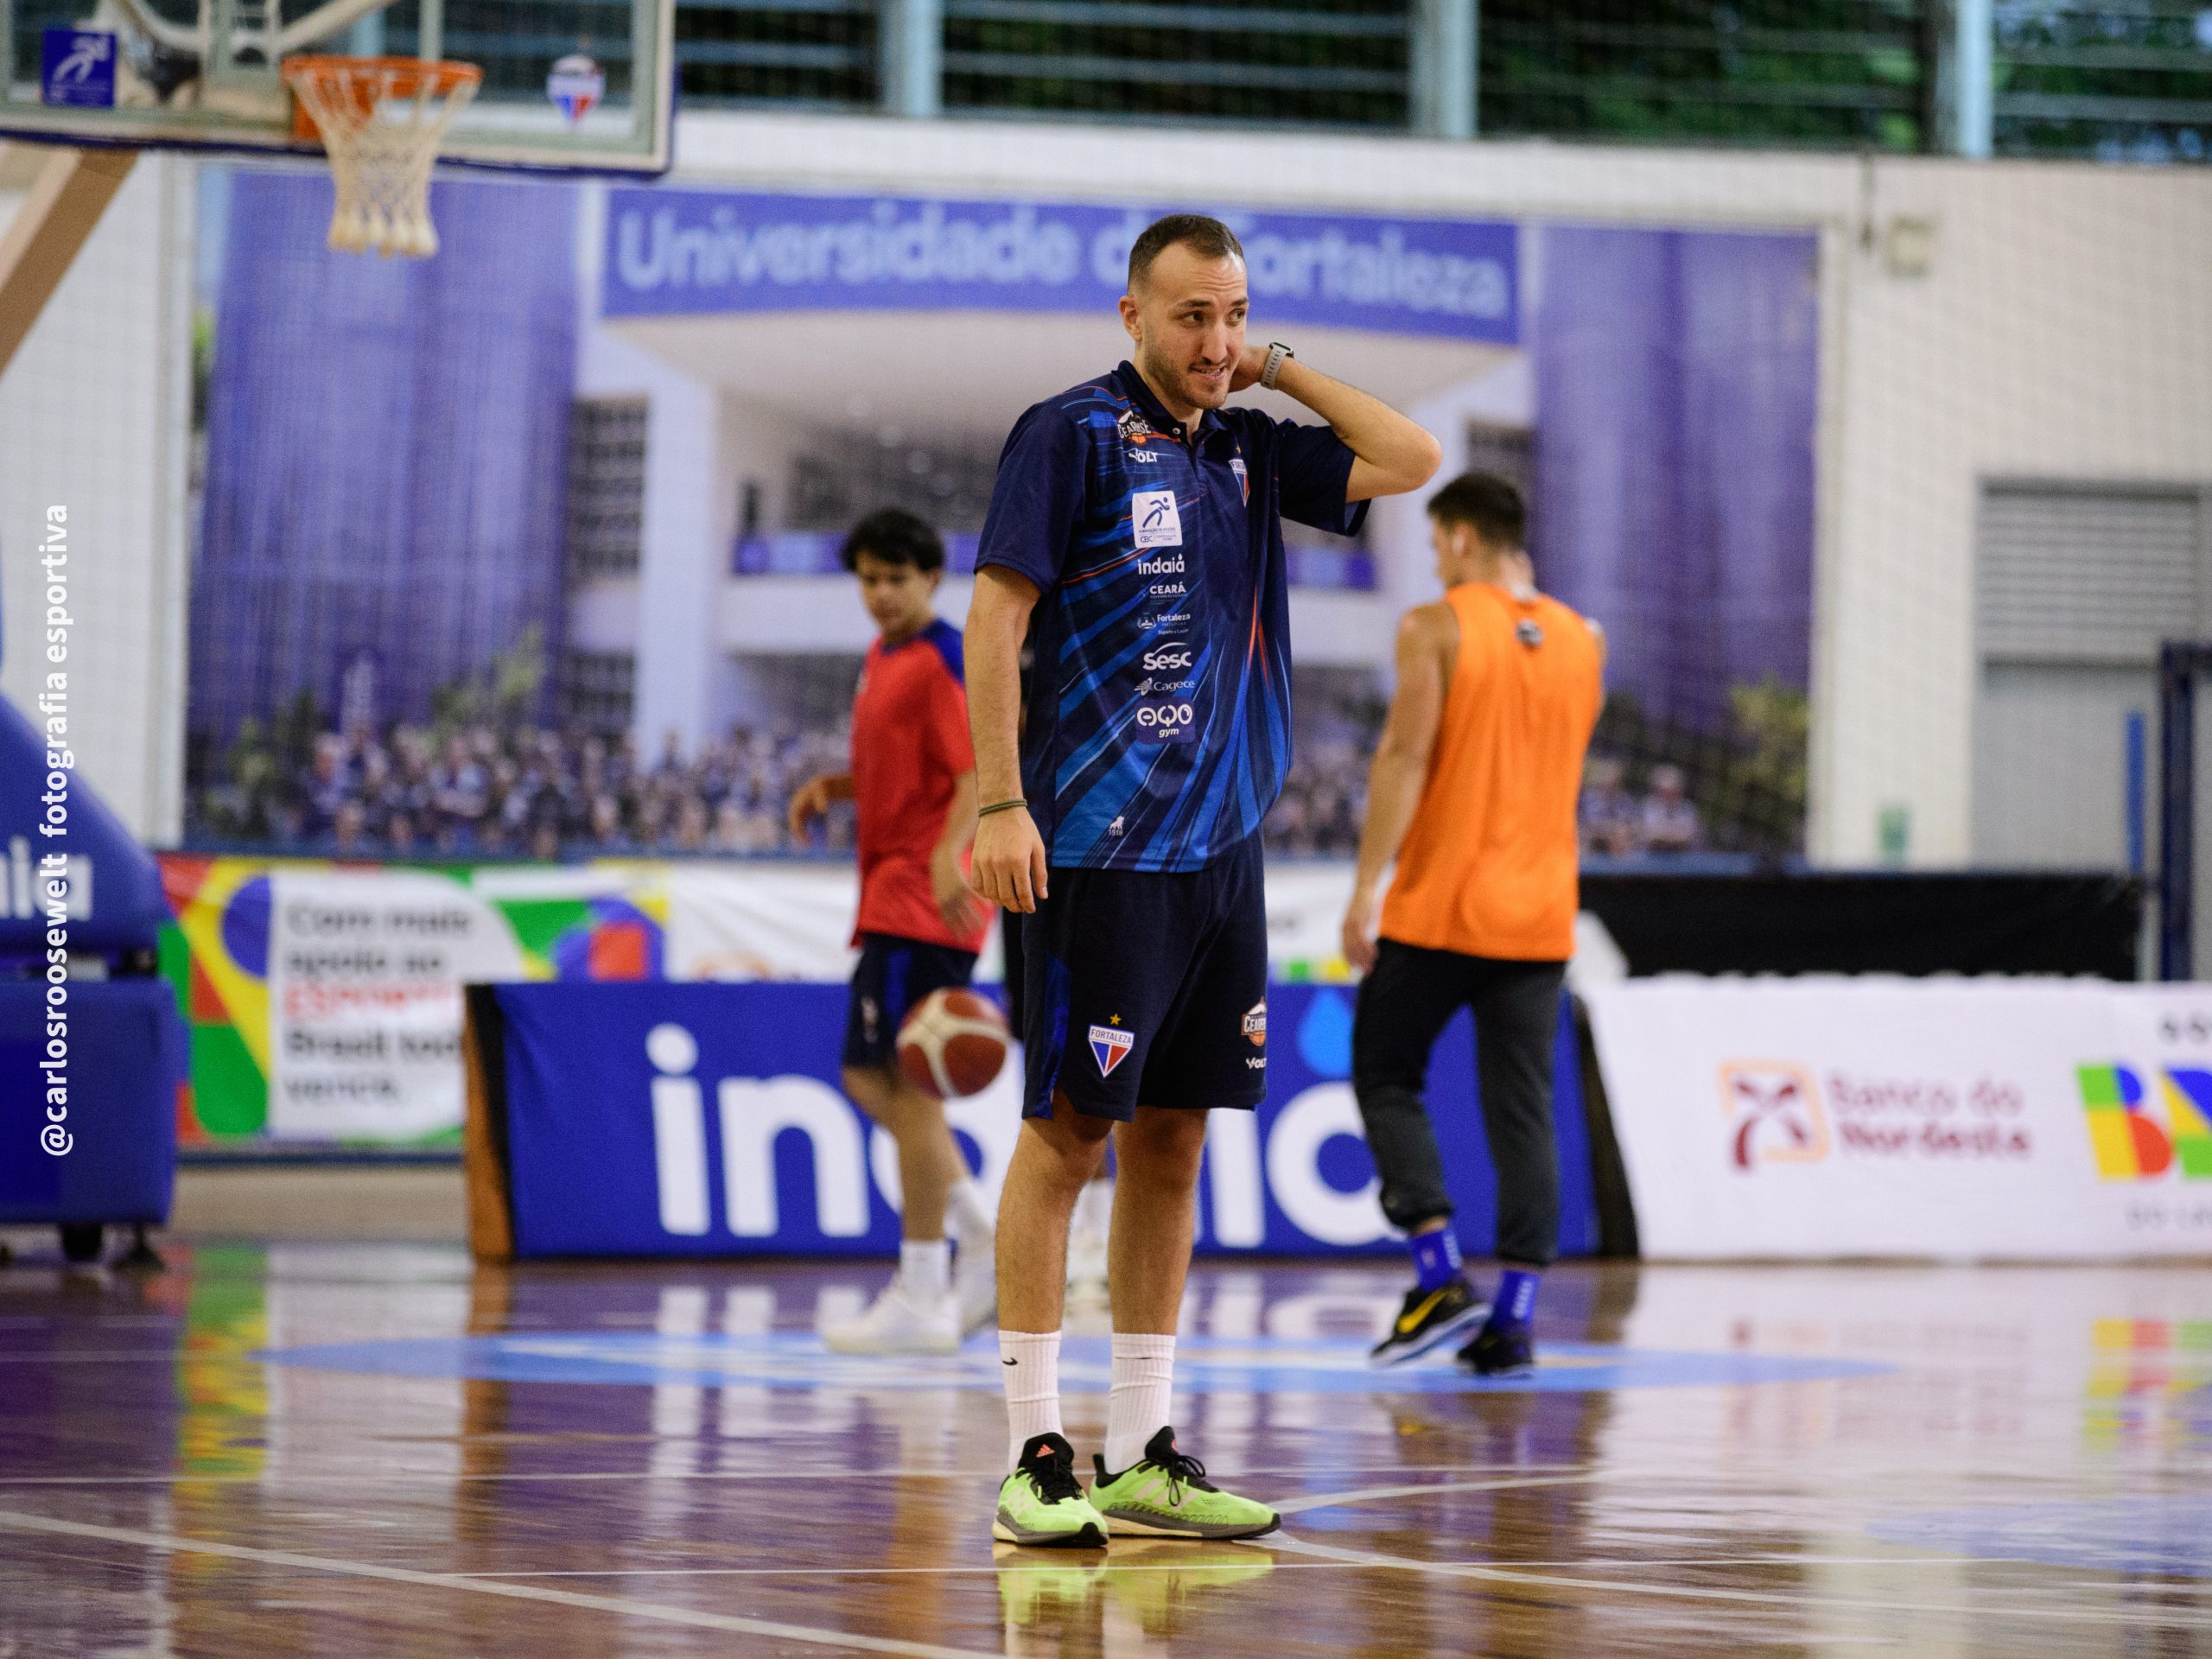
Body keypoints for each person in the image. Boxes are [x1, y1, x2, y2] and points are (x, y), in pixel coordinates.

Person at [965, 213, 1440, 1548]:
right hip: (1099, 849)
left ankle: (1140, 1453)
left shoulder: (1247, 444)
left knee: (1174, 1141)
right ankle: (1033, 1459)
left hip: (1225, 856)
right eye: (1192, 317)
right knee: (1070, 1137)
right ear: (1132, 316)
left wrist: (1274, 369)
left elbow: (1412, 457)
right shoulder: (1066, 435)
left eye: (1233, 315)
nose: (1215, 341)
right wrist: (1000, 800)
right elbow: (995, 618)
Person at [1341, 472, 1604, 1376]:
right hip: (1542, 913)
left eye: (1434, 544)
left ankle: (1437, 1273)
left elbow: (1403, 758)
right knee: (1524, 1112)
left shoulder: (1436, 625)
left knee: (1384, 1071)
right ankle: (1515, 1321)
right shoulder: (1583, 640)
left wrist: (1364, 888)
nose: (1434, 562)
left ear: (1459, 537)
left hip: (1444, 904)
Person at [790, 507, 998, 1354]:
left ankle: (922, 1289)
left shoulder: (946, 659)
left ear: (932, 578)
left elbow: (978, 771)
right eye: (868, 579)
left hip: (926, 902)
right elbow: (904, 769)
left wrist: (950, 854)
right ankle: (980, 1234)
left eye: (896, 579)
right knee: (865, 1076)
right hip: (891, 896)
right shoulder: (883, 656)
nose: (879, 593)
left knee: (908, 1091)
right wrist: (837, 788)